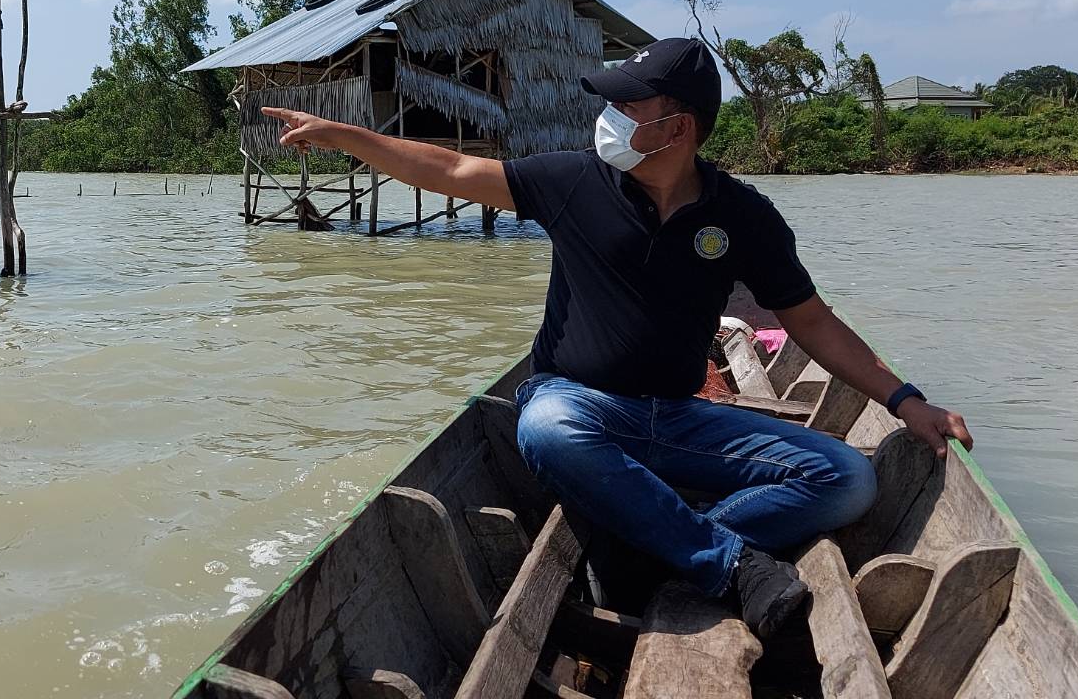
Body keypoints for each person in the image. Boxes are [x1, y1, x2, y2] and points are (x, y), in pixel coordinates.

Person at [261, 37, 973, 639]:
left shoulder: (742, 216)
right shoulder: (572, 180)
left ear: (676, 127)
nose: (608, 116)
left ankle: (655, 540)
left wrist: (904, 400)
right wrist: (341, 136)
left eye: (627, 105)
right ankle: (726, 563)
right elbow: (447, 169)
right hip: (579, 406)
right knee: (542, 427)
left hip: (678, 416)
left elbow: (809, 321)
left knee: (847, 479)